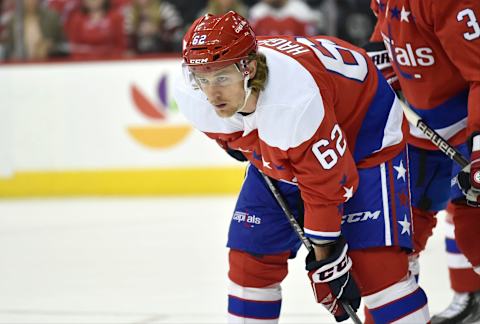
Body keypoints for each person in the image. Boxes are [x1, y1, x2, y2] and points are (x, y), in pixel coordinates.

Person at [173, 11, 431, 323]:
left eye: (222, 77)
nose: (212, 93)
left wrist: (326, 260)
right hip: (297, 137)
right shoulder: (193, 96)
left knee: (376, 271)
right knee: (250, 260)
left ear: (249, 68)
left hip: (364, 132)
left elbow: (328, 184)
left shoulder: (294, 102)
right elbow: (231, 136)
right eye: (202, 78)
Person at [368, 0, 480, 322]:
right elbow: (385, 30)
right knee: (395, 247)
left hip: (467, 132)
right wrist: (383, 66)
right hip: (419, 139)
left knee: (473, 228)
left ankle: (470, 295)